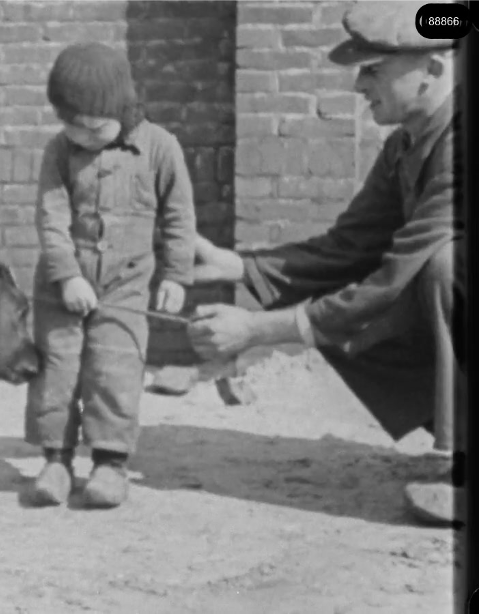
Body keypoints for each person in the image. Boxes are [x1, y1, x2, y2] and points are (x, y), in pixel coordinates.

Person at [187, 0, 464, 526]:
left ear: (431, 70)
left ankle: (459, 468)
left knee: (441, 268)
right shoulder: (407, 143)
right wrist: (237, 267)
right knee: (340, 291)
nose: (360, 85)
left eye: (374, 70)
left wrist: (256, 330)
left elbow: (391, 280)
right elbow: (347, 249)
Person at [24, 42, 197, 508]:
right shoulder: (59, 152)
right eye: (68, 125)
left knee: (114, 369)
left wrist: (177, 276)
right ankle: (56, 460)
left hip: (126, 288)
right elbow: (50, 217)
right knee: (56, 369)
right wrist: (66, 276)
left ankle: (109, 464)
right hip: (62, 288)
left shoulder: (160, 148)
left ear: (120, 109)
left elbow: (179, 218)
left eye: (91, 128)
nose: (79, 136)